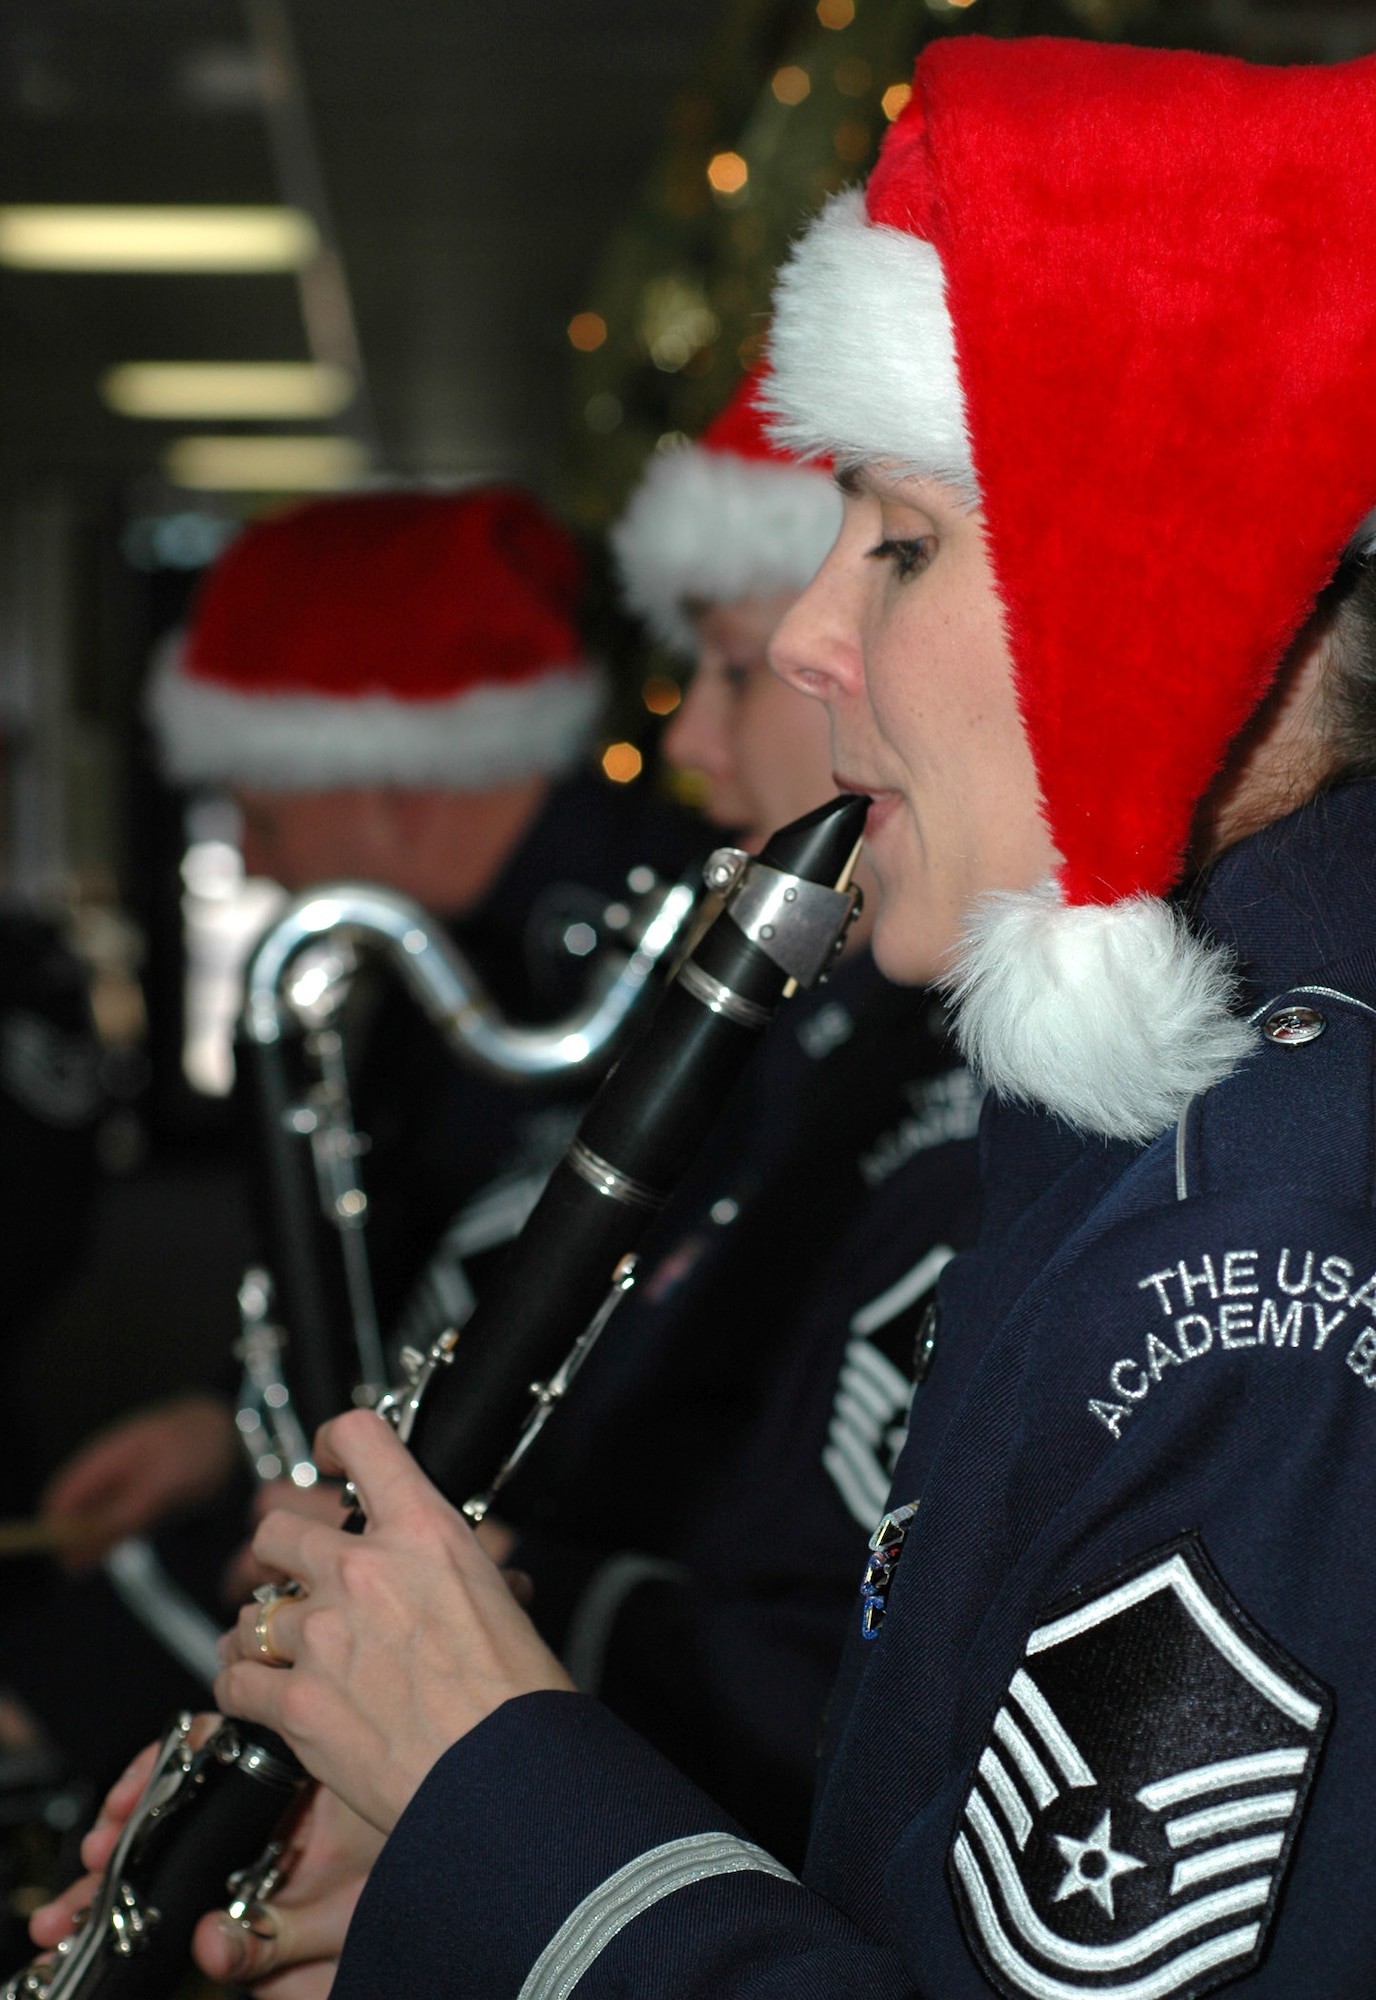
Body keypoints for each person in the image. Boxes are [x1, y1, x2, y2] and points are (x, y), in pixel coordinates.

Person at [45, 32, 1376, 1993]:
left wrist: (499, 1778)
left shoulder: (1263, 1237)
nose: (812, 637)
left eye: (901, 541)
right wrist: (456, 1900)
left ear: (1164, 587)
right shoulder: (1142, 1131)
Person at [0, 488, 704, 1791]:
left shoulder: (614, 997)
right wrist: (223, 1429)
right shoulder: (441, 960)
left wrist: (78, 1673)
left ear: (388, 780)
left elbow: (487, 1411)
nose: (258, 870)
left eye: (263, 818)